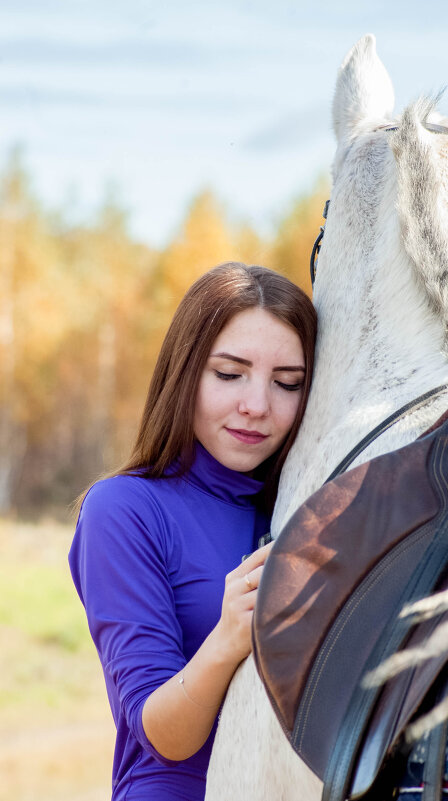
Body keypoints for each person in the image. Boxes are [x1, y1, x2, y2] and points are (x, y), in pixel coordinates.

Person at [69, 262, 317, 801]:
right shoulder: (124, 509)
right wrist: (228, 636)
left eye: (287, 383)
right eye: (229, 374)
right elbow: (163, 734)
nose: (257, 405)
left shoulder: (305, 510)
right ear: (184, 372)